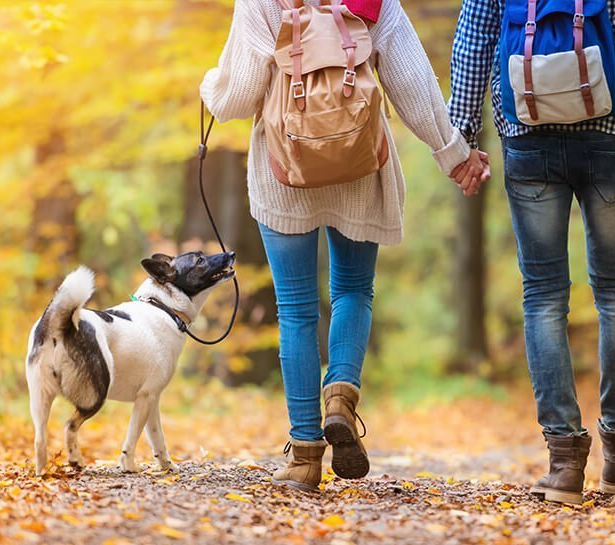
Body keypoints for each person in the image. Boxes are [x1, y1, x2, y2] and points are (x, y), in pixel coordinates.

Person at [201, 0, 489, 492]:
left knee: (295, 310)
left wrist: (211, 84)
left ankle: (304, 457)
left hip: (284, 171)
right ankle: (341, 394)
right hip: (361, 164)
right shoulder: (374, 3)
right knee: (353, 289)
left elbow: (235, 98)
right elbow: (413, 85)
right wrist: (455, 155)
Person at [449, 0, 615, 504]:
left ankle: (564, 464)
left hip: (528, 134)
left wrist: (462, 139)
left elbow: (472, 42)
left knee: (543, 296)